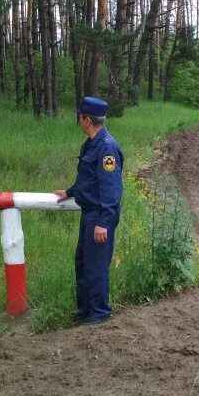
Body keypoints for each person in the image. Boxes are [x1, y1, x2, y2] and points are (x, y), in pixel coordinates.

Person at [53, 96, 123, 326]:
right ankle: (85, 311)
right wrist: (70, 191)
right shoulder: (91, 144)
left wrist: (104, 222)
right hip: (89, 214)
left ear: (86, 119)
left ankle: (99, 314)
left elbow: (111, 191)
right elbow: (89, 180)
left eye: (79, 116)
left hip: (99, 216)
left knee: (95, 267)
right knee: (82, 263)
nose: (78, 120)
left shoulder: (106, 148)